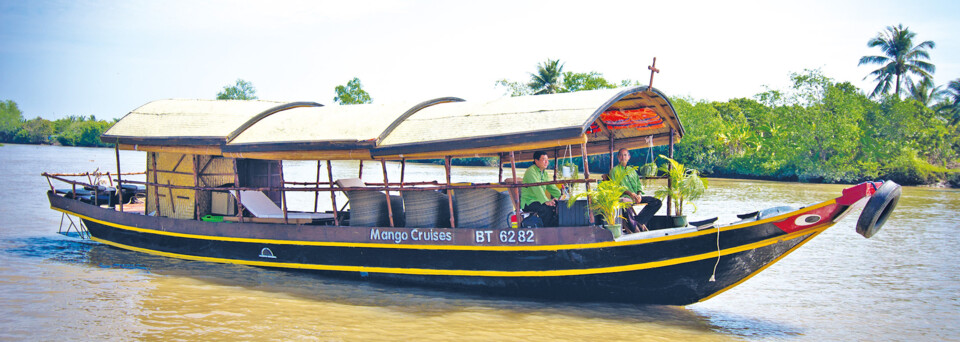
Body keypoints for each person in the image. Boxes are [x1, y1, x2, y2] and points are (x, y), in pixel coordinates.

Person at [611, 148, 662, 233]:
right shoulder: (614, 171)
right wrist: (630, 194)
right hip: (624, 197)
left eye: (625, 155)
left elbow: (638, 185)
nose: (623, 157)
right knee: (625, 202)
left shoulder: (632, 171)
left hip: (635, 197)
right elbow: (616, 187)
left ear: (629, 157)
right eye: (621, 155)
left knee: (657, 202)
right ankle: (635, 229)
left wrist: (639, 195)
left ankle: (637, 221)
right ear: (618, 157)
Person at [520, 151, 561, 227]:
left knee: (557, 205)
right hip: (528, 202)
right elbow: (537, 188)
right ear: (536, 161)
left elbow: (550, 186)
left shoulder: (544, 173)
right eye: (544, 159)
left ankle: (554, 228)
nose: (546, 162)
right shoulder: (531, 171)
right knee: (546, 208)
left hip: (539, 201)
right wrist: (546, 201)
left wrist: (560, 196)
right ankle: (546, 231)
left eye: (547, 160)